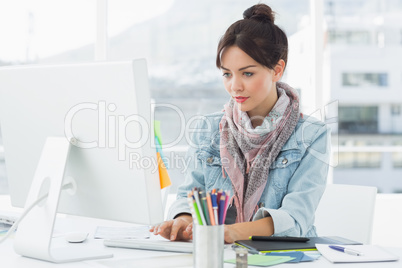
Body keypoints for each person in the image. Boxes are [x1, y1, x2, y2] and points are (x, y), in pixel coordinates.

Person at [150, 3, 330, 243]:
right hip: (219, 255)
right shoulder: (207, 128)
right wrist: (183, 220)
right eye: (227, 74)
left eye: (247, 73)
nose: (234, 86)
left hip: (285, 257)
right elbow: (190, 194)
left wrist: (234, 232)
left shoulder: (311, 135)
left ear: (277, 70)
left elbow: (296, 219)